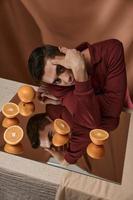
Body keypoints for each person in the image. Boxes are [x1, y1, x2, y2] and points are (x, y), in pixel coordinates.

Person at [28, 39, 133, 163]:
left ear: (63, 52)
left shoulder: (110, 51)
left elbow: (108, 116)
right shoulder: (58, 89)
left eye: (60, 69)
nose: (67, 79)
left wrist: (80, 66)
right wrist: (80, 74)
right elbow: (96, 121)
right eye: (57, 80)